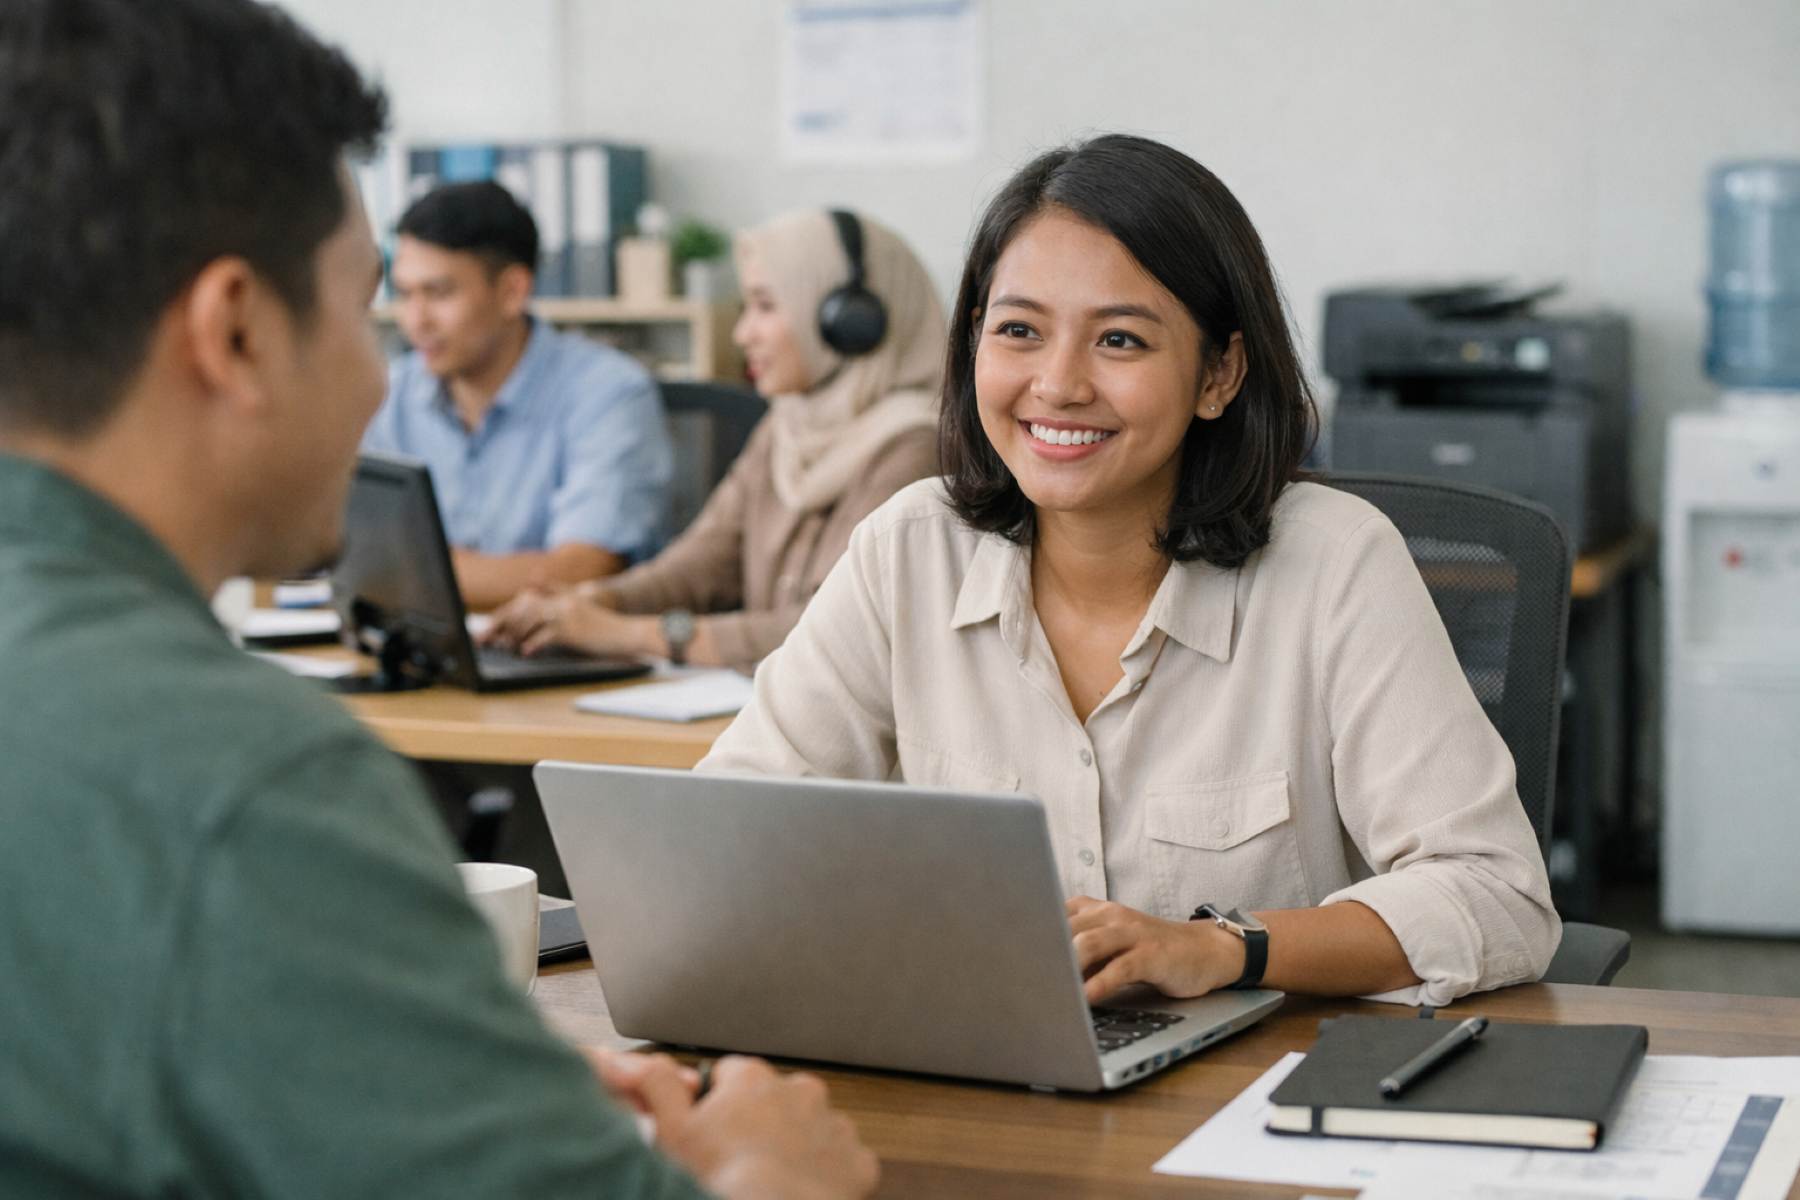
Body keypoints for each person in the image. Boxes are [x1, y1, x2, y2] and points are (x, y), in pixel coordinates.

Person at [0, 2, 875, 1197]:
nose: (387, 366)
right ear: (237, 330)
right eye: (369, 307)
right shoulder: (242, 787)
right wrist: (778, 1170)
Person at [698, 135, 1560, 1009]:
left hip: (1260, 1095)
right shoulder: (909, 550)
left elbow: (1497, 895)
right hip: (986, 1055)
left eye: (1119, 339)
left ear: (1218, 373)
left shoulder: (1336, 564)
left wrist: (1224, 949)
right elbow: (731, 832)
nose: (1059, 384)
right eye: (1020, 332)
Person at [484, 209, 942, 671]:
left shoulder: (914, 449)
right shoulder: (785, 428)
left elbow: (833, 632)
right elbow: (700, 565)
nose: (743, 334)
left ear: (850, 323)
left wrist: (626, 634)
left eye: (766, 306)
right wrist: (591, 601)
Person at [363, 180, 674, 609]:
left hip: (565, 660)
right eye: (404, 294)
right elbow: (348, 548)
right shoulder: (390, 393)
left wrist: (403, 570)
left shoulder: (608, 392)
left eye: (439, 293)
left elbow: (581, 570)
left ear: (512, 291)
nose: (415, 321)